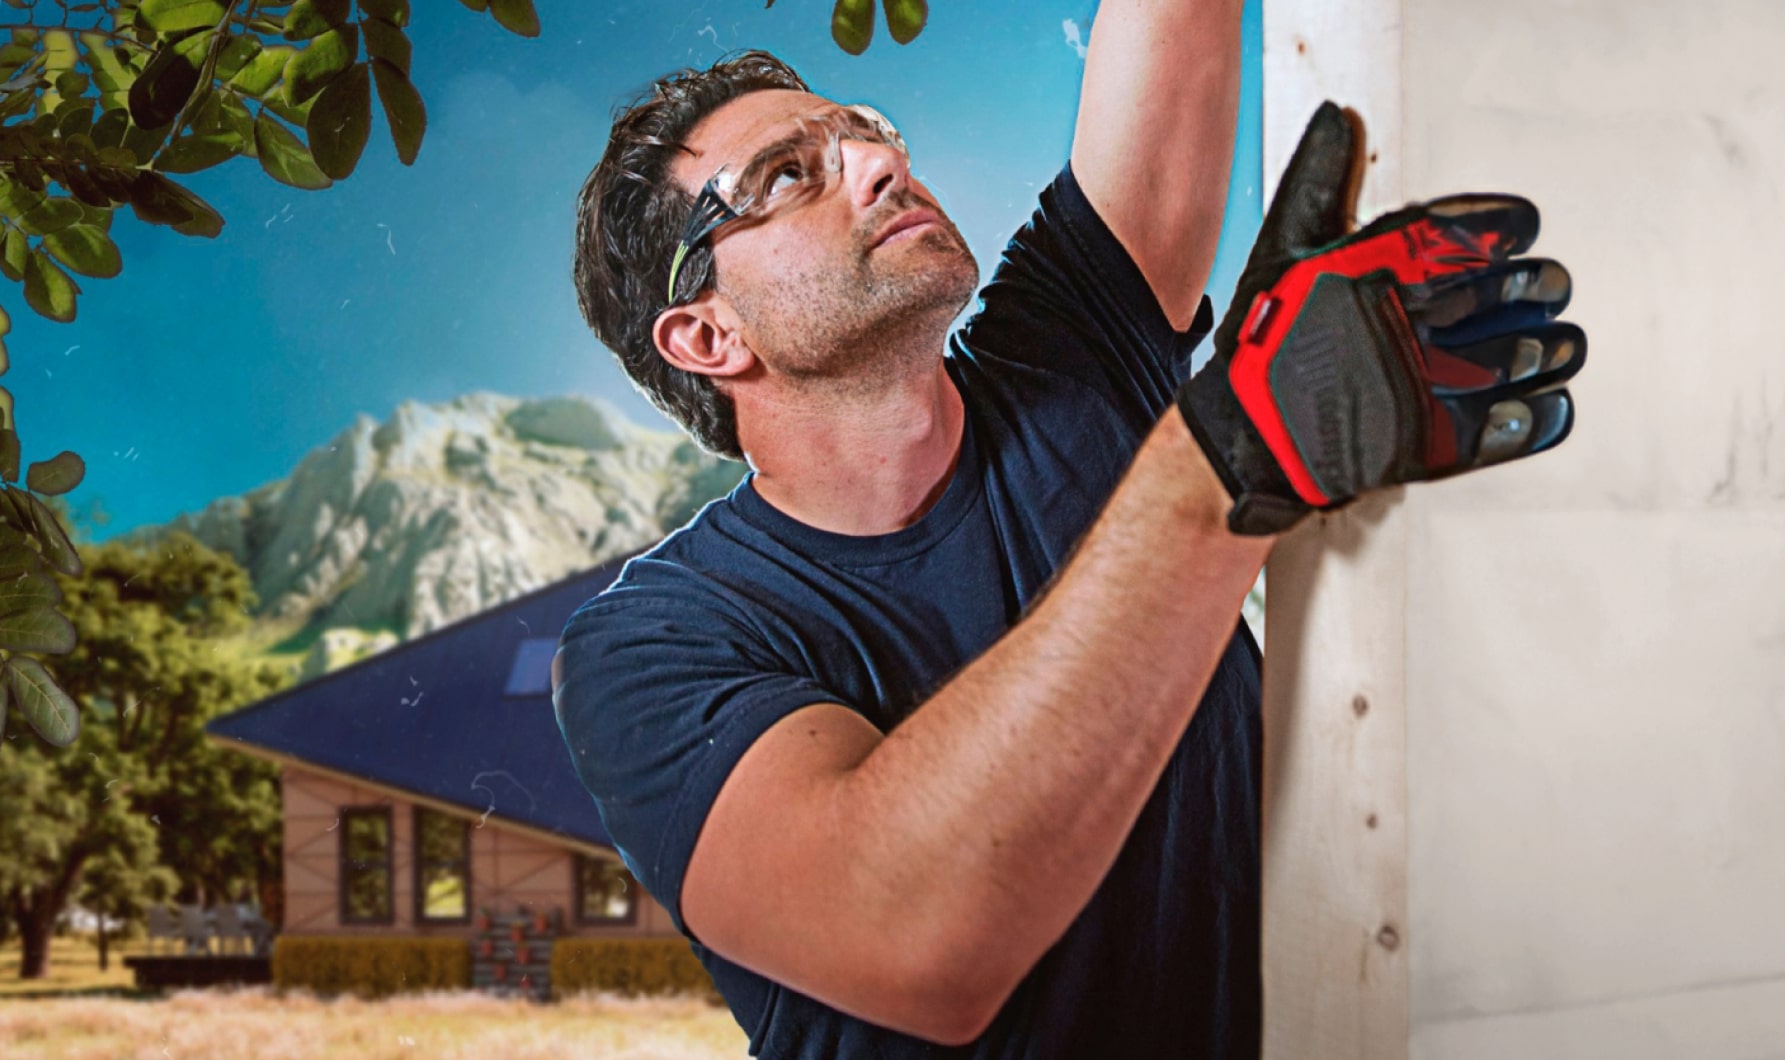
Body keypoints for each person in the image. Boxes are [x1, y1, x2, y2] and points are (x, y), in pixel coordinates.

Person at [550, 7, 1587, 1056]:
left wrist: (1240, 433)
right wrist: (1234, 450)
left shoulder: (1070, 359)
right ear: (706, 334)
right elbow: (916, 928)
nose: (874, 164)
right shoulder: (651, 647)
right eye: (785, 175)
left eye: (863, 129)